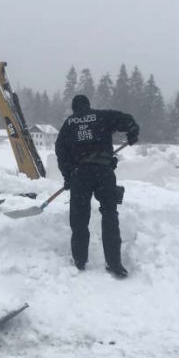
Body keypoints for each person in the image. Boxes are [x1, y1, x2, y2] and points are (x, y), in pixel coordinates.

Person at [55, 94, 139, 278]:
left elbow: (60, 151)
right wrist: (132, 132)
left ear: (74, 108)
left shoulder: (69, 124)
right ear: (88, 106)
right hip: (104, 173)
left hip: (81, 175)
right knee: (109, 214)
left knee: (79, 218)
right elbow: (127, 119)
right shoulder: (102, 116)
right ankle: (114, 263)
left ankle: (80, 260)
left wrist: (68, 175)